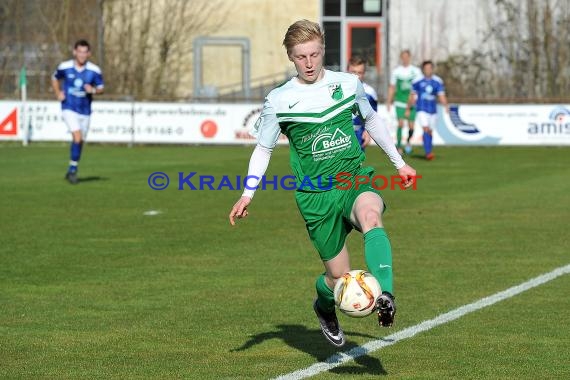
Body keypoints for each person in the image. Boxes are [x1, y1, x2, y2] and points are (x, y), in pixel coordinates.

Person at [229, 20, 416, 347]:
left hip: (352, 177)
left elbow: (371, 119)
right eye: (302, 56)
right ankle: (324, 306)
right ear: (291, 56)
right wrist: (248, 193)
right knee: (338, 278)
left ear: (323, 51)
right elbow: (264, 147)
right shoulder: (279, 100)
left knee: (372, 216)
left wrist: (399, 163)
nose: (310, 62)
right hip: (315, 195)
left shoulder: (347, 84)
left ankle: (385, 293)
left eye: (315, 54)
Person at [51, 39, 104, 184]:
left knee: (80, 142)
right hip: (69, 107)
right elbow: (55, 78)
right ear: (75, 52)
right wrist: (58, 93)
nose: (82, 55)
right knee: (77, 137)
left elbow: (101, 88)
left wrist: (92, 90)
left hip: (85, 110)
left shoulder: (94, 70)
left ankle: (71, 168)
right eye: (79, 52)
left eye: (85, 52)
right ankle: (73, 172)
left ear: (89, 53)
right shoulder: (65, 67)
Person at [407, 60, 448, 160]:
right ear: (423, 70)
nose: (428, 70)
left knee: (430, 131)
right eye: (426, 68)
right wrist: (408, 108)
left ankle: (429, 150)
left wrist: (446, 106)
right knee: (425, 128)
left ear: (432, 69)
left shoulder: (437, 81)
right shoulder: (417, 81)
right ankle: (428, 152)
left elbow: (441, 95)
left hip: (433, 110)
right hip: (421, 109)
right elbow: (412, 95)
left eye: (430, 68)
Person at [386, 50, 422, 155]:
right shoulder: (396, 71)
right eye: (403, 57)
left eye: (407, 57)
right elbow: (392, 87)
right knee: (400, 124)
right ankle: (399, 147)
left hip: (412, 102)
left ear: (410, 57)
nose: (405, 59)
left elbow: (418, 88)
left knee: (411, 126)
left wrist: (414, 101)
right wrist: (389, 101)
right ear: (401, 58)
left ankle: (408, 142)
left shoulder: (416, 71)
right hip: (400, 102)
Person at [346, 56, 377, 151]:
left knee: (356, 165)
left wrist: (368, 132)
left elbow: (373, 116)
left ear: (364, 74)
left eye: (359, 73)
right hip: (340, 134)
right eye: (353, 72)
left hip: (358, 134)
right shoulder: (337, 90)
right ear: (347, 70)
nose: (356, 75)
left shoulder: (370, 93)